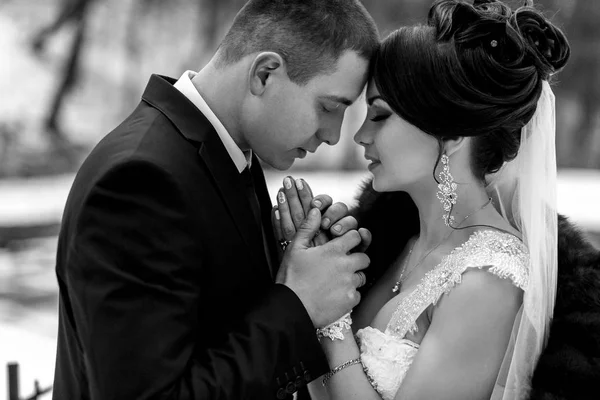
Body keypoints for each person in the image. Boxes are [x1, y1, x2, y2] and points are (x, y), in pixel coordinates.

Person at [51, 1, 378, 399]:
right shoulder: (140, 181)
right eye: (329, 107)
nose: (333, 135)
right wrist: (299, 303)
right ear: (264, 73)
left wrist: (293, 260)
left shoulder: (229, 153)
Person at [275, 0, 571, 399]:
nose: (361, 135)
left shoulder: (488, 275)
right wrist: (307, 265)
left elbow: (337, 348)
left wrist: (332, 321)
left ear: (451, 134)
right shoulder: (398, 239)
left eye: (379, 115)